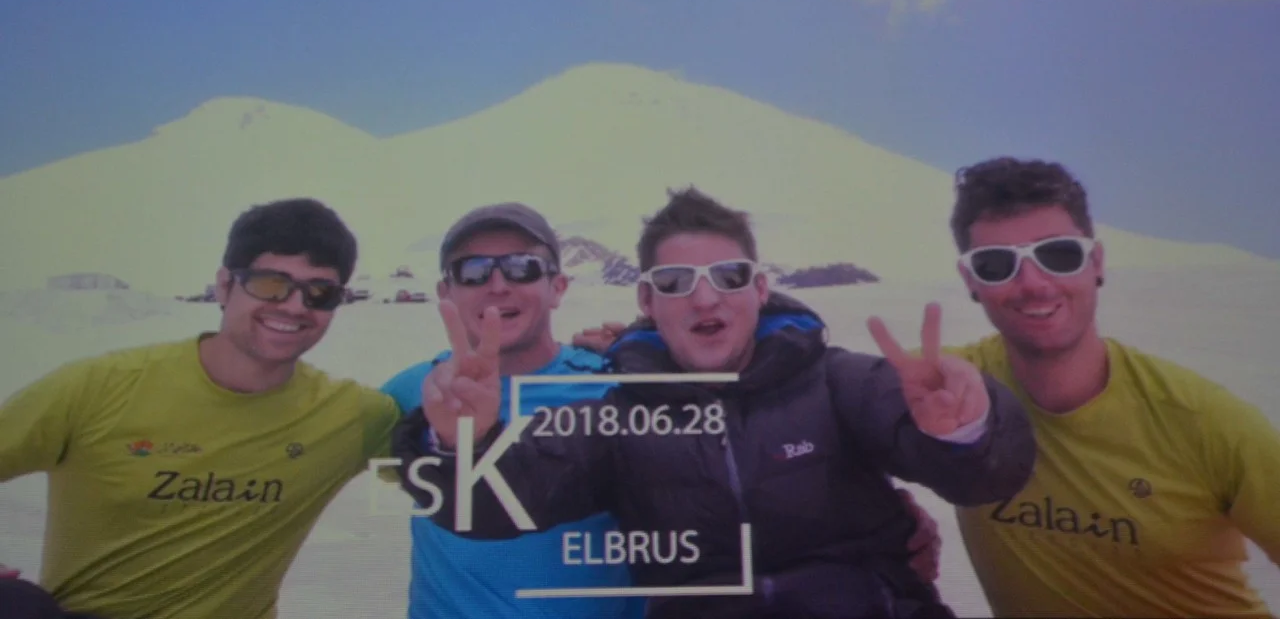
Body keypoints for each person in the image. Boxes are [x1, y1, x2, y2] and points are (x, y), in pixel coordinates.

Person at [389, 187, 1038, 619]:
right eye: (675, 282)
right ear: (647, 301)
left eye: (728, 277)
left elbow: (981, 475)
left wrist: (965, 429)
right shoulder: (619, 416)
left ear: (760, 289)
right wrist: (461, 443)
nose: (705, 299)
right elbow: (505, 498)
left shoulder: (835, 381)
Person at [0, 198, 402, 619]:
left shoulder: (355, 416)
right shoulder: (99, 387)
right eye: (270, 284)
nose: (295, 306)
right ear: (224, 286)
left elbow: (445, 481)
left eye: (320, 292)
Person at [936, 156, 1280, 617]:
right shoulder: (948, 389)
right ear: (971, 280)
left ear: (1095, 262)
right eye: (996, 264)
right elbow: (845, 404)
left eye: (1058, 254)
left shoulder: (1203, 421)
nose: (1033, 284)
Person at [379, 202, 646, 619]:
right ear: (446, 292)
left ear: (557, 288)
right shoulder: (414, 391)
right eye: (473, 270)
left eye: (523, 267)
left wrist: (653, 346)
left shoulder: (617, 388)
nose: (498, 285)